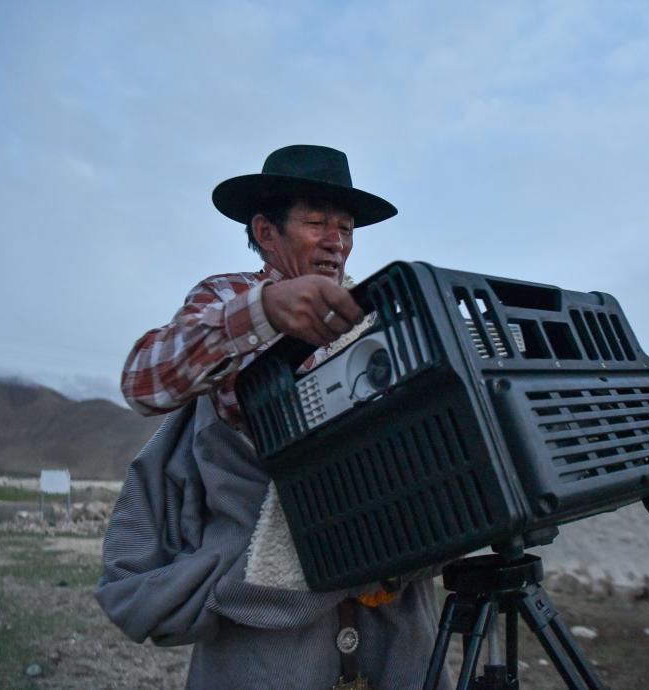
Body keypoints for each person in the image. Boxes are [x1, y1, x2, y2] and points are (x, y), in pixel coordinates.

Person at [95, 145, 450, 689]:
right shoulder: (226, 297)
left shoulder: (375, 311)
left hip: (395, 618)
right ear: (266, 232)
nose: (336, 241)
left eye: (346, 228)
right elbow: (143, 381)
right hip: (268, 622)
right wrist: (263, 310)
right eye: (316, 223)